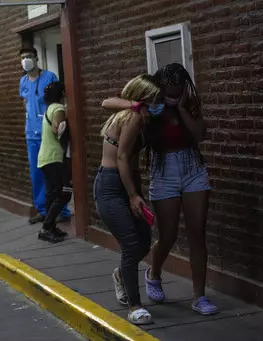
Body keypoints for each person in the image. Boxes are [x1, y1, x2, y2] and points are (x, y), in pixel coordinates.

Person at [102, 63, 217, 316]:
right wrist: (137, 105)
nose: (173, 96)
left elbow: (199, 134)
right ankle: (154, 273)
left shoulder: (188, 104)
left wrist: (182, 107)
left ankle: (199, 297)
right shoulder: (150, 106)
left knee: (198, 232)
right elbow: (108, 102)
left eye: (179, 91)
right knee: (169, 234)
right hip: (163, 170)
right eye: (170, 92)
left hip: (192, 168)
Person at [95, 74, 163, 325]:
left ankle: (122, 275)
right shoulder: (132, 116)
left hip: (128, 183)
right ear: (143, 100)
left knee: (144, 240)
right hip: (111, 186)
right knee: (132, 244)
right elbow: (122, 157)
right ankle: (135, 306)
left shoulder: (141, 117)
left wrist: (136, 193)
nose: (159, 104)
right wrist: (133, 196)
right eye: (155, 100)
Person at [19, 47, 72, 225]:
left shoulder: (49, 77)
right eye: (23, 58)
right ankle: (42, 210)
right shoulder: (23, 81)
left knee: (54, 175)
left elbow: (58, 100)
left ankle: (61, 210)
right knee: (36, 175)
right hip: (31, 135)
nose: (26, 60)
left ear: (36, 58)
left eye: (29, 57)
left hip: (48, 134)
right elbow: (25, 104)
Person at [37, 82, 72, 243]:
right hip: (54, 158)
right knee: (64, 194)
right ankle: (45, 228)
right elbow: (56, 128)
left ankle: (49, 227)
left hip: (45, 158)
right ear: (62, 93)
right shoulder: (58, 108)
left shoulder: (49, 108)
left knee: (52, 194)